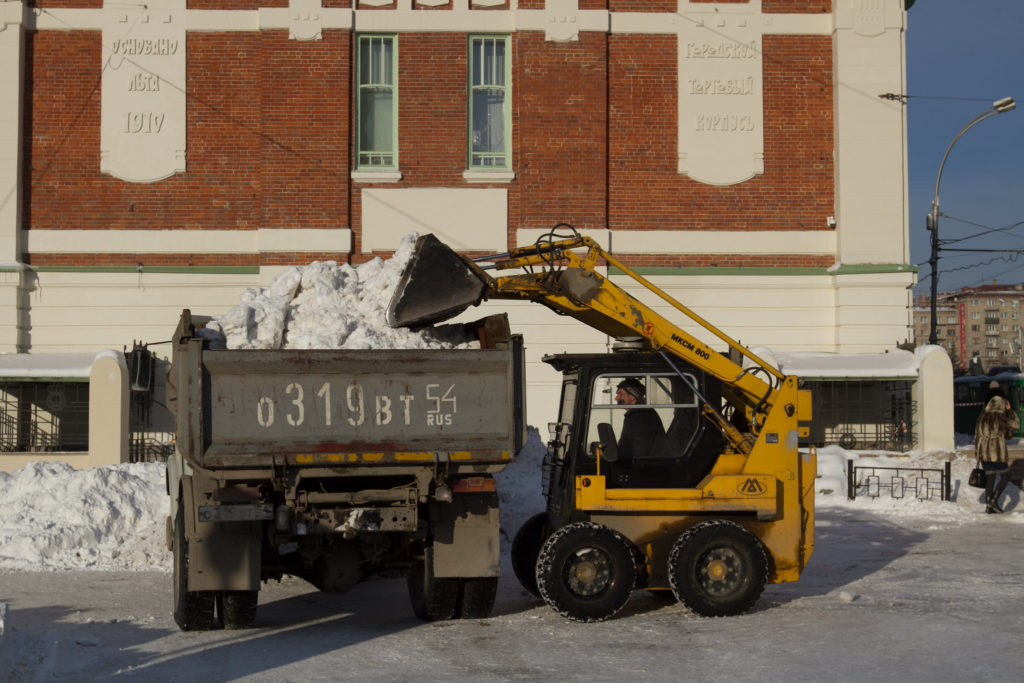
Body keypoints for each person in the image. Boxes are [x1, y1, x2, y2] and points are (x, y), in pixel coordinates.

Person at [974, 393, 1020, 514]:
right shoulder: (1000, 417)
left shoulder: (982, 417)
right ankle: (993, 500)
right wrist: (1010, 411)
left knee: (991, 478)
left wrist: (978, 454)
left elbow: (977, 436)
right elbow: (1016, 424)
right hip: (996, 452)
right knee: (1006, 475)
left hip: (983, 453)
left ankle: (989, 506)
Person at [614, 378, 665, 463]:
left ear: (633, 397)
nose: (616, 398)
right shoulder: (637, 414)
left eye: (620, 394)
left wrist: (607, 455)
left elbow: (636, 454)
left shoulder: (642, 416)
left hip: (649, 470)